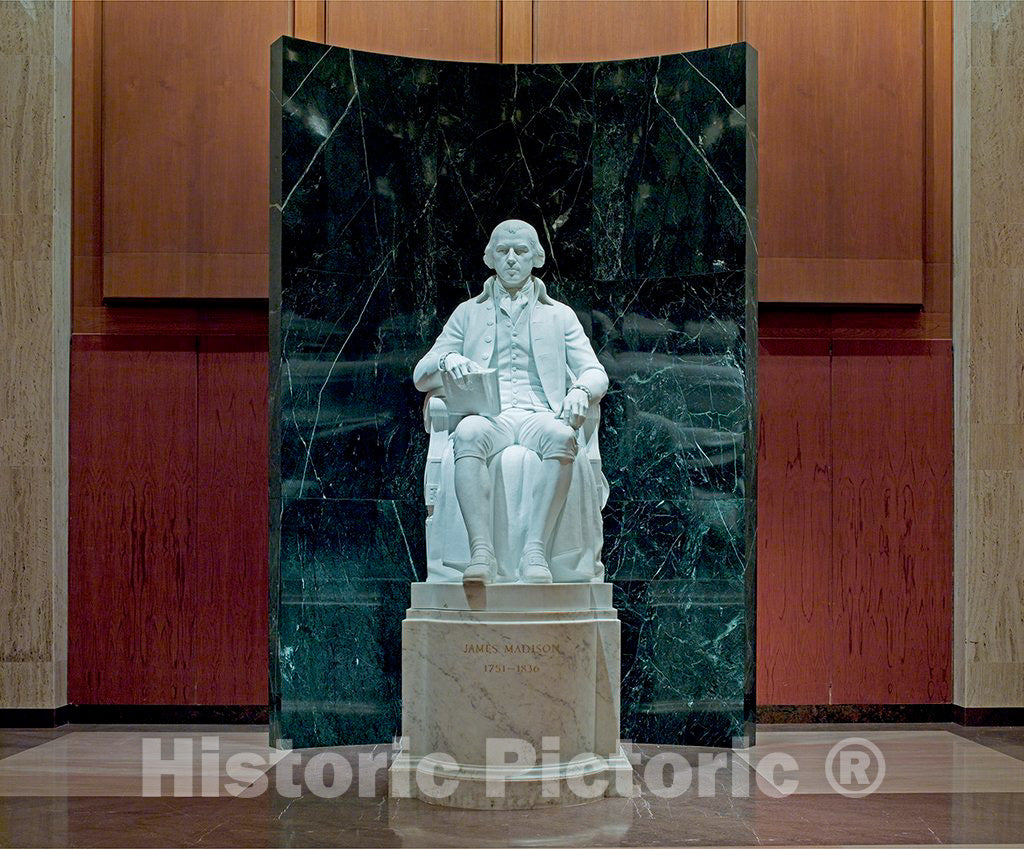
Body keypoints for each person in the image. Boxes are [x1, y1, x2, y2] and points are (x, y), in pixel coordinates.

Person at [413, 219, 608, 584]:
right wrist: (446, 361)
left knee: (563, 438)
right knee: (467, 434)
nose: (512, 259)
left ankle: (536, 550)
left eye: (521, 251)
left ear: (537, 257)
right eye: (503, 251)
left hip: (539, 413)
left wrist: (581, 391)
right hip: (490, 416)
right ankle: (480, 552)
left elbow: (595, 372)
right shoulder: (467, 314)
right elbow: (421, 375)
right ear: (490, 258)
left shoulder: (560, 315)